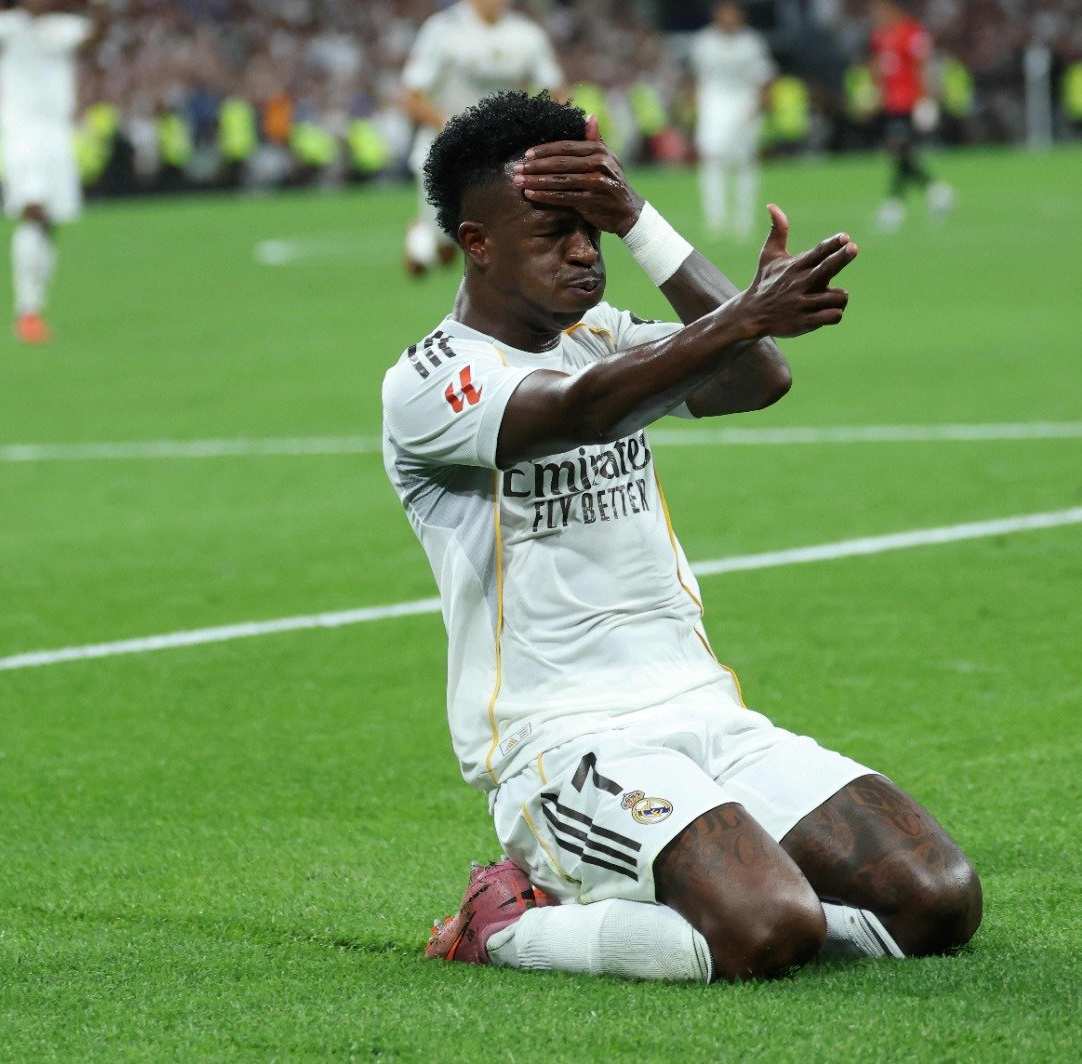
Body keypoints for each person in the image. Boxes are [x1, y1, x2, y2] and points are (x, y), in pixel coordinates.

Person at [382, 91, 981, 983]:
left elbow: (757, 376)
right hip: (563, 747)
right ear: (478, 243)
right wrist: (744, 313)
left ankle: (743, 902)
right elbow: (583, 409)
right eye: (554, 233)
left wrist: (638, 216)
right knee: (763, 930)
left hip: (706, 714)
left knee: (937, 900)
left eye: (593, 227)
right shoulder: (433, 380)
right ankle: (504, 925)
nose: (584, 251)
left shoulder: (602, 334)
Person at [0, 0, 110, 344]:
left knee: (48, 222)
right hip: (19, 132)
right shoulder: (6, 24)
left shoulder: (62, 26)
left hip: (57, 133)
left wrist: (101, 8)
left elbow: (95, 38)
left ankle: (34, 308)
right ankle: (27, 313)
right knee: (33, 210)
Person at [400, 0, 564, 279]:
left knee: (495, 237)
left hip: (501, 157)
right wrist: (452, 126)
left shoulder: (527, 35)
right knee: (444, 251)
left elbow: (556, 90)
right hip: (445, 153)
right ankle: (420, 237)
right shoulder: (443, 31)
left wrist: (545, 125)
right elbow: (411, 96)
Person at [689, 0, 775, 239]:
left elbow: (764, 78)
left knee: (745, 163)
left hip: (743, 105)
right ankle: (715, 220)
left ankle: (743, 220)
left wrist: (759, 106)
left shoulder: (751, 43)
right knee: (712, 161)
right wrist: (696, 107)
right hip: (713, 106)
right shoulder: (704, 43)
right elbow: (697, 78)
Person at [868, 0, 953, 232]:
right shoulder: (880, 35)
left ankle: (894, 206)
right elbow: (879, 67)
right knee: (901, 153)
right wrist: (874, 94)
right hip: (892, 102)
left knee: (899, 149)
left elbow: (923, 66)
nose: (876, 14)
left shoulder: (912, 33)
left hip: (910, 101)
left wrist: (927, 100)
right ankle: (936, 192)